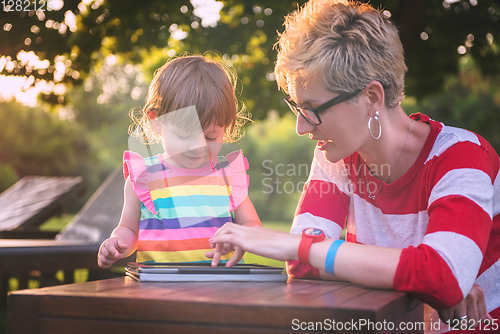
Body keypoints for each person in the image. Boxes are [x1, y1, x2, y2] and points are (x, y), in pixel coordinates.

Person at [208, 0, 499, 330]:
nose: (301, 127)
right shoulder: (337, 156)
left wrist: (305, 248)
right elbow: (303, 268)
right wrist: (423, 282)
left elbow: (443, 276)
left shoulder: (463, 156)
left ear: (372, 98)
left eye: (313, 108)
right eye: (297, 107)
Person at [98, 55, 261, 268]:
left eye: (211, 137)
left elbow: (252, 224)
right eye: (185, 136)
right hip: (160, 288)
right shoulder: (144, 177)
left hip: (221, 287)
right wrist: (118, 243)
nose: (198, 147)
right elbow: (129, 230)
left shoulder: (228, 177)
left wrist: (240, 237)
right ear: (156, 121)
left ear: (227, 127)